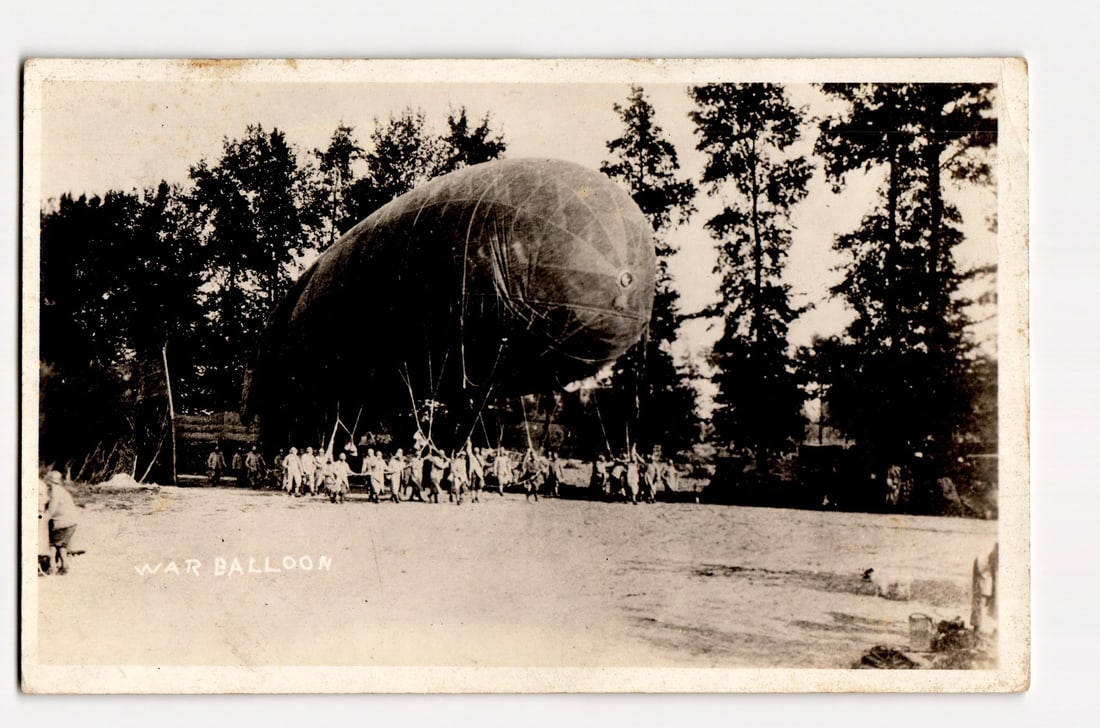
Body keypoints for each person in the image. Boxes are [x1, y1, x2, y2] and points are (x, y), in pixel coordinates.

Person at [41, 471, 78, 575]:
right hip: (70, 522)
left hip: (62, 522)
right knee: (61, 546)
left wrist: (42, 517)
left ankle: (52, 566)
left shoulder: (55, 492)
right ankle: (65, 566)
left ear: (50, 481)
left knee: (53, 545)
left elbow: (51, 509)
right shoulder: (61, 490)